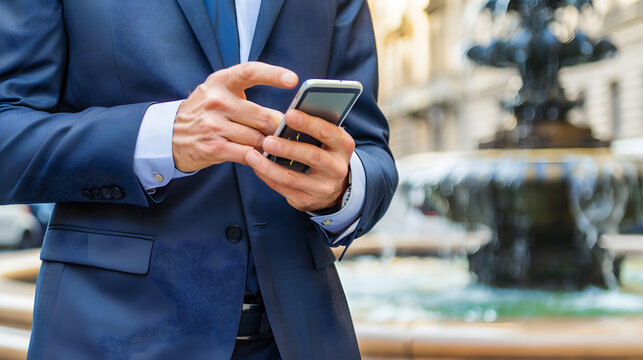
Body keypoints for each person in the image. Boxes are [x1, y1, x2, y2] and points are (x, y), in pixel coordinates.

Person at [0, 0, 397, 359]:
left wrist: (341, 188)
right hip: (113, 335)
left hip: (304, 337)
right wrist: (161, 135)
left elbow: (371, 151)